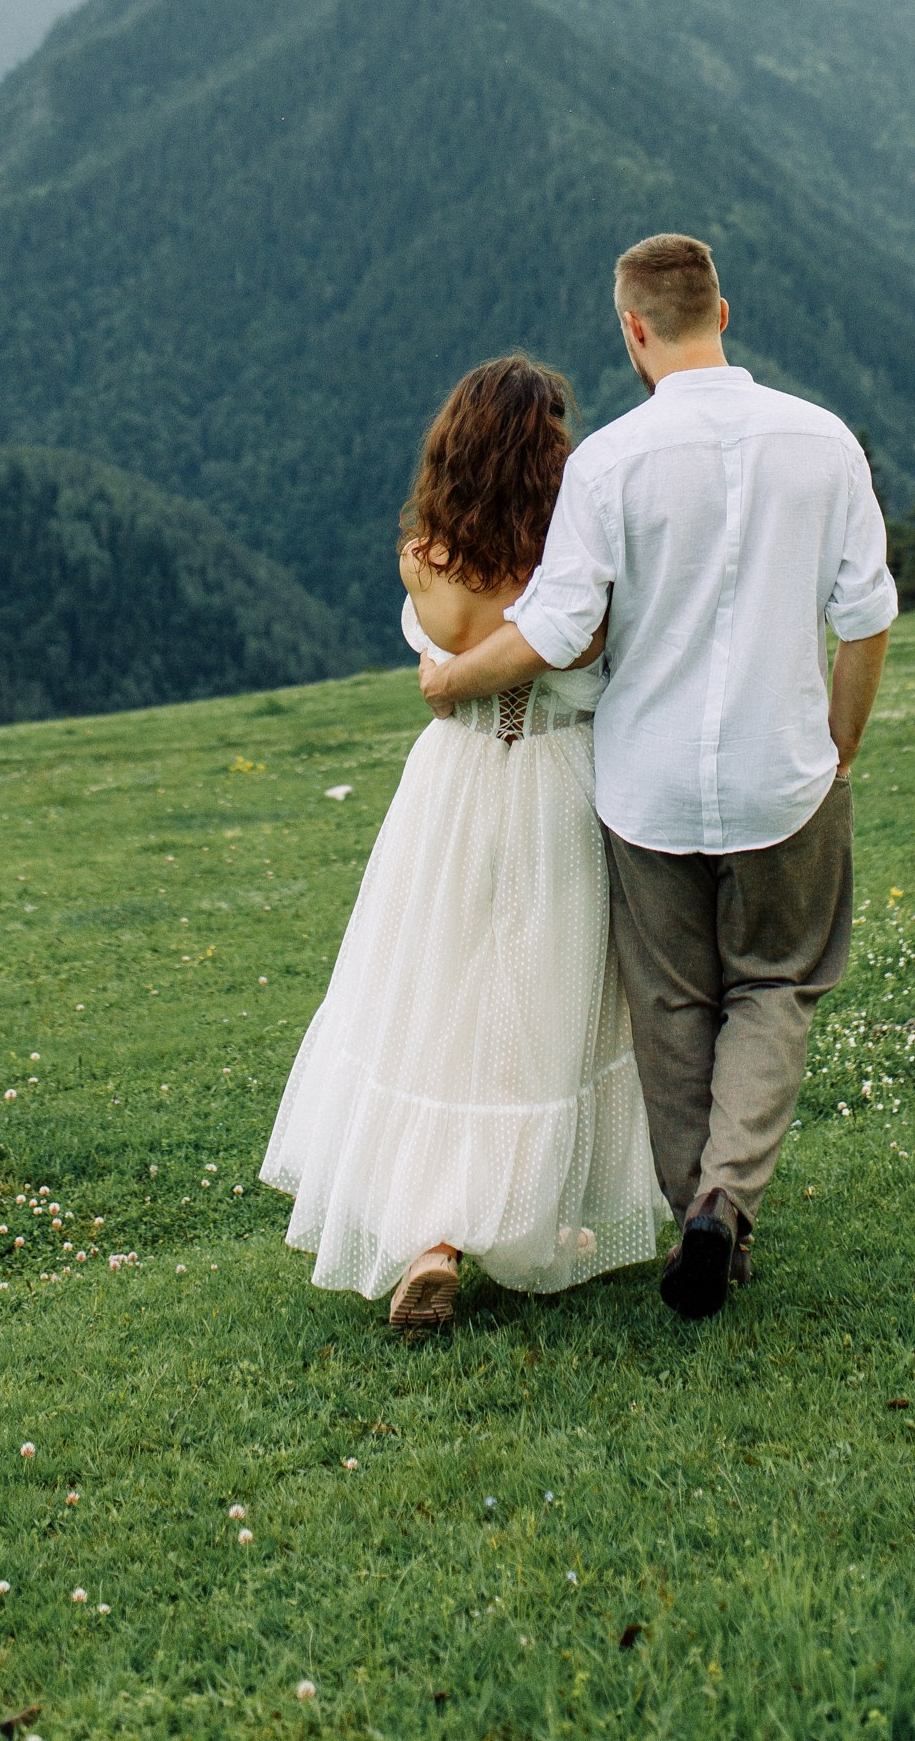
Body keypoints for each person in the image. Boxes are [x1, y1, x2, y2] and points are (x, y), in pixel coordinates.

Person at [418, 234, 894, 1320]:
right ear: (722, 309)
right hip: (786, 777)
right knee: (774, 984)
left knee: (672, 1005)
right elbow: (864, 615)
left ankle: (696, 1209)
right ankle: (723, 1204)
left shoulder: (608, 464)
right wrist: (840, 741)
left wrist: (449, 677)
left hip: (647, 788)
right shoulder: (820, 441)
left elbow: (556, 627)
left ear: (631, 329)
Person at [261, 354, 661, 1333]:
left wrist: (455, 678)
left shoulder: (422, 560)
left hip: (448, 787)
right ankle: (534, 1214)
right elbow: (571, 651)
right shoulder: (566, 563)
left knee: (430, 997)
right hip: (558, 784)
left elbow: (446, 675)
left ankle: (429, 1240)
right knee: (548, 1000)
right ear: (544, 451)